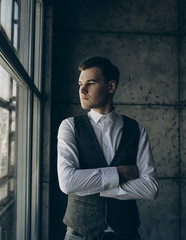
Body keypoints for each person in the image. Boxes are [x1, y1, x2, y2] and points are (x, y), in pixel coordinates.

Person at [57, 56, 159, 240]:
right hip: (79, 235)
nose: (82, 89)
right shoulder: (69, 126)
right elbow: (67, 183)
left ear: (111, 87)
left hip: (125, 233)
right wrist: (120, 174)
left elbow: (150, 188)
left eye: (91, 83)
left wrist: (91, 186)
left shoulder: (136, 130)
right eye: (80, 83)